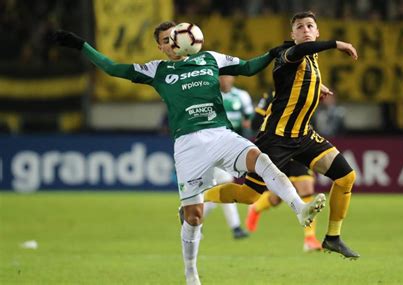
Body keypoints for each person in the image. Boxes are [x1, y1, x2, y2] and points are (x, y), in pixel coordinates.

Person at [52, 21, 326, 285]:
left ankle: (300, 209)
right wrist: (81, 45)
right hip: (188, 145)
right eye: (166, 41)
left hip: (220, 133)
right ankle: (191, 273)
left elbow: (248, 67)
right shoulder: (156, 70)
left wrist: (273, 53)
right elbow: (112, 68)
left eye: (176, 36)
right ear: (161, 47)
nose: (174, 42)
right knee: (194, 216)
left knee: (261, 160)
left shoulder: (210, 59)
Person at [206, 11, 360, 259]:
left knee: (346, 177)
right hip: (275, 139)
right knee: (248, 195)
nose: (306, 30)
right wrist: (337, 44)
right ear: (292, 35)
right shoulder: (288, 54)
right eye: (299, 27)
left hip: (304, 136)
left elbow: (300, 79)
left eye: (310, 26)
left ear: (317, 31)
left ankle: (333, 237)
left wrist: (316, 86)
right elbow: (296, 55)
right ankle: (197, 198)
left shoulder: (312, 59)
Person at [247, 90, 332, 252]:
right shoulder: (272, 95)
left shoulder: (306, 91)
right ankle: (256, 207)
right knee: (277, 198)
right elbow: (255, 122)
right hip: (278, 147)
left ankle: (309, 239)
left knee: (306, 186)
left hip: (299, 145)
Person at [202, 75, 255, 240]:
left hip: (231, 149)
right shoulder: (209, 96)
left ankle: (192, 220)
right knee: (225, 186)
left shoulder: (242, 96)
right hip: (213, 148)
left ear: (233, 78)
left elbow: (248, 122)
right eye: (222, 76)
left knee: (216, 191)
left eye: (228, 76)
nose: (225, 79)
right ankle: (236, 228)